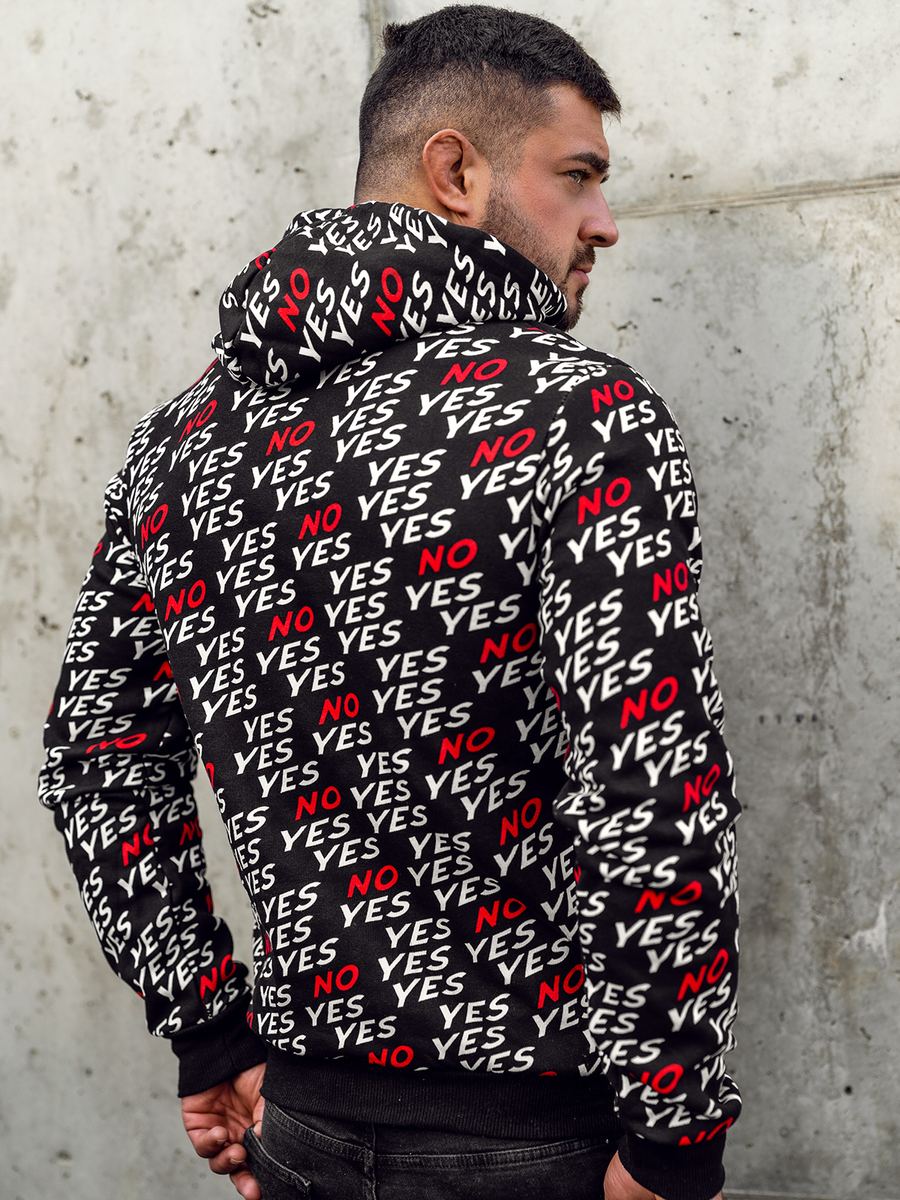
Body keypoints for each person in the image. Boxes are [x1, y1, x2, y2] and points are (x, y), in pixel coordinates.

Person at [39, 6, 741, 1199]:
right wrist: (674, 1138)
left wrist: (209, 1031)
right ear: (456, 171)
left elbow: (97, 754)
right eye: (578, 177)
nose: (605, 223)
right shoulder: (577, 415)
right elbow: (649, 784)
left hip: (302, 1130)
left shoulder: (182, 445)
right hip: (539, 1136)